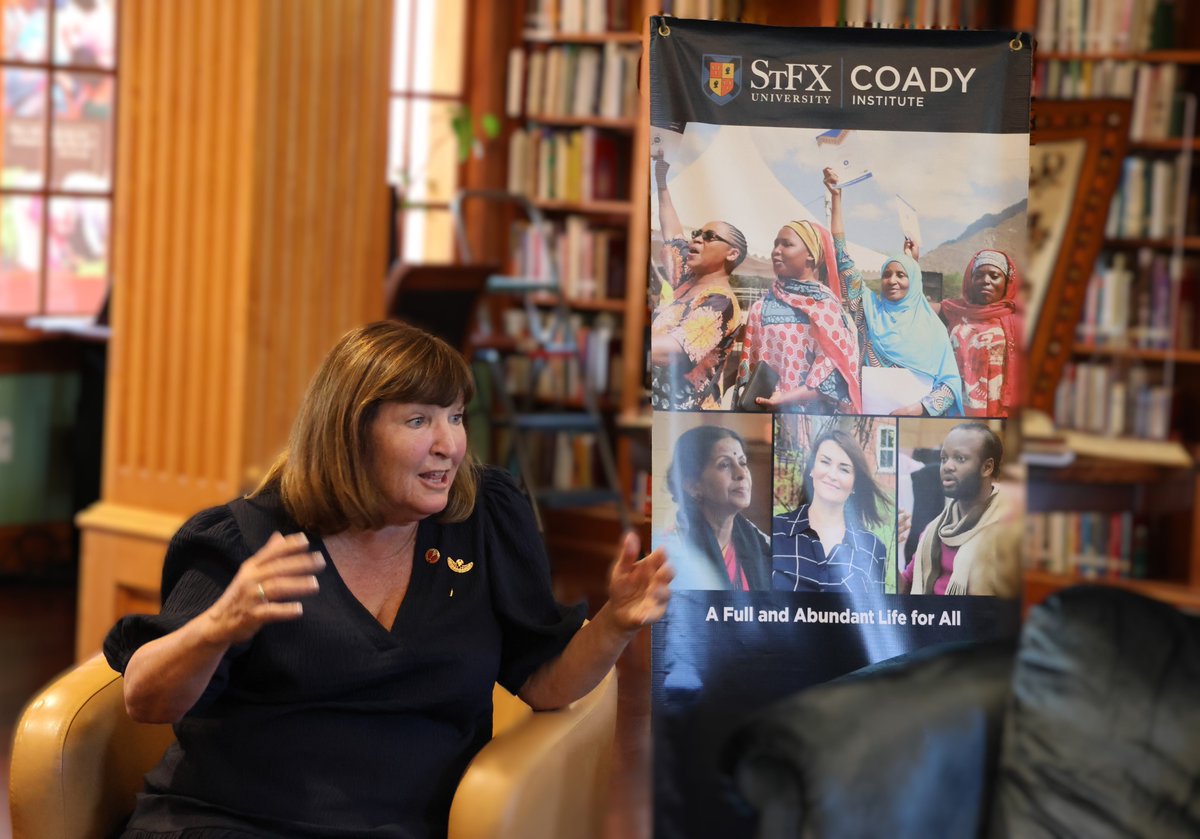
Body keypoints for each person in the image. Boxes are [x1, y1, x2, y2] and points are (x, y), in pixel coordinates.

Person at [102, 321, 673, 838]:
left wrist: (615, 623)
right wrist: (218, 626)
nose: (449, 445)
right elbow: (146, 699)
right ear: (351, 433)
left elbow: (543, 681)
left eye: (455, 417)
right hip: (231, 823)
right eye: (419, 420)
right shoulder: (245, 537)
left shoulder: (485, 520)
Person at [824, 168, 963, 417]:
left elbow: (950, 385)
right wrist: (836, 198)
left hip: (914, 421)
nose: (892, 281)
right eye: (887, 274)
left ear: (915, 281)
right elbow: (842, 256)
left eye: (901, 275)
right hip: (866, 417)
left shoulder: (933, 330)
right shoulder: (868, 310)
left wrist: (919, 409)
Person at [650, 152, 746, 410]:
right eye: (697, 234)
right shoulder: (686, 279)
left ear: (732, 254)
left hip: (682, 415)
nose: (696, 240)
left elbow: (670, 350)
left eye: (709, 236)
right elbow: (672, 232)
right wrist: (661, 181)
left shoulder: (721, 303)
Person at [739, 216, 861, 413]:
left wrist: (786, 398)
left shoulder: (825, 308)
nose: (776, 251)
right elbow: (748, 369)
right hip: (762, 415)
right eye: (775, 244)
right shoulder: (761, 306)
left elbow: (837, 375)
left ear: (811, 255)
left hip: (810, 421)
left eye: (787, 244)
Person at [900, 422, 1018, 596]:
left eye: (960, 458)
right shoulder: (934, 530)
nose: (947, 466)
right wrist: (887, 549)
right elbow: (905, 586)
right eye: (943, 458)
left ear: (987, 467)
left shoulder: (1008, 529)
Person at [771, 429, 889, 593]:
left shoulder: (874, 548)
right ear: (812, 469)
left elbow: (873, 616)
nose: (832, 475)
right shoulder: (775, 530)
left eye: (844, 469)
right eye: (825, 462)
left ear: (854, 485)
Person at [662, 425, 771, 590]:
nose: (741, 473)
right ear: (692, 486)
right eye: (725, 465)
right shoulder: (673, 552)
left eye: (743, 462)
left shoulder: (762, 543)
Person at [940, 249, 1023, 417]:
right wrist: (911, 259)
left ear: (1007, 281)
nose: (985, 281)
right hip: (958, 404)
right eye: (979, 275)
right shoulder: (954, 310)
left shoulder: (1020, 319)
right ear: (971, 280)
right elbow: (913, 305)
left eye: (994, 276)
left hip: (1000, 410)